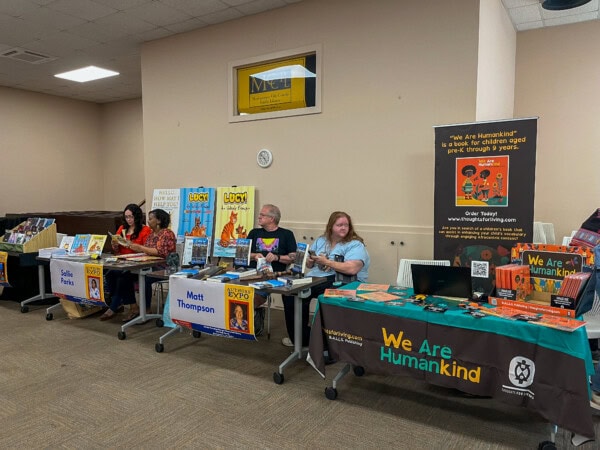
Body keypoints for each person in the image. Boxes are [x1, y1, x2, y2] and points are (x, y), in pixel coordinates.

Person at [293, 211, 369, 349]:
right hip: (317, 278)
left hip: (347, 282)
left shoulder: (355, 244)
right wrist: (310, 260)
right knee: (293, 294)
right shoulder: (321, 240)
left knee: (327, 297)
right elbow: (310, 265)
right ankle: (301, 339)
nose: (343, 228)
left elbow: (352, 269)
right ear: (331, 226)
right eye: (339, 225)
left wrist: (327, 262)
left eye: (346, 225)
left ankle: (328, 345)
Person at [247, 204, 297, 337]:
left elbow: (293, 258)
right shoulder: (254, 233)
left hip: (271, 277)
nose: (259, 217)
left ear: (272, 218)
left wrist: (277, 257)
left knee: (249, 301)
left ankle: (255, 311)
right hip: (249, 273)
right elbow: (242, 253)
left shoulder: (286, 234)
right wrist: (254, 255)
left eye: (262, 215)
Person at [100, 204, 152, 321]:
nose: (129, 220)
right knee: (110, 273)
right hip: (123, 262)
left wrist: (131, 245)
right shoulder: (122, 228)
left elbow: (146, 250)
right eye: (127, 217)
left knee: (122, 277)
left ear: (137, 217)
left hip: (138, 263)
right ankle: (121, 304)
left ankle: (117, 306)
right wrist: (115, 245)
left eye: (131, 217)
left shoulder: (145, 230)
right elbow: (118, 251)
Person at [127, 208, 177, 321]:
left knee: (145, 278)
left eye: (150, 219)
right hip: (148, 264)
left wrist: (140, 247)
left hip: (164, 266)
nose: (148, 221)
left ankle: (146, 309)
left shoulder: (167, 233)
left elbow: (160, 252)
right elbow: (146, 250)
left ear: (158, 221)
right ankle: (132, 306)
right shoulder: (150, 235)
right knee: (124, 275)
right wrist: (134, 247)